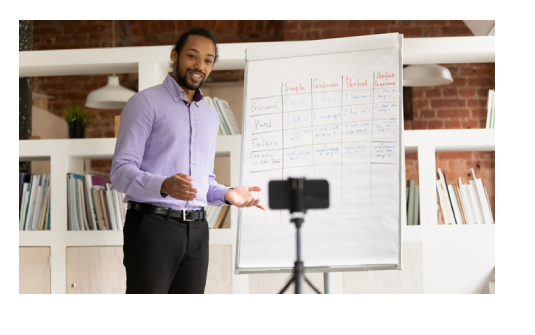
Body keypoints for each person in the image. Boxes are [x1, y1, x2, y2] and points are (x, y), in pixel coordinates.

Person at [111, 27, 265, 294]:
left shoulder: (209, 115)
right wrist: (163, 185)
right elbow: (120, 172)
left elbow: (204, 181)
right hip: (153, 227)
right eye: (192, 56)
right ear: (175, 55)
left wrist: (229, 194)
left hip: (198, 230)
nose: (199, 66)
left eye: (208, 60)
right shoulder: (144, 103)